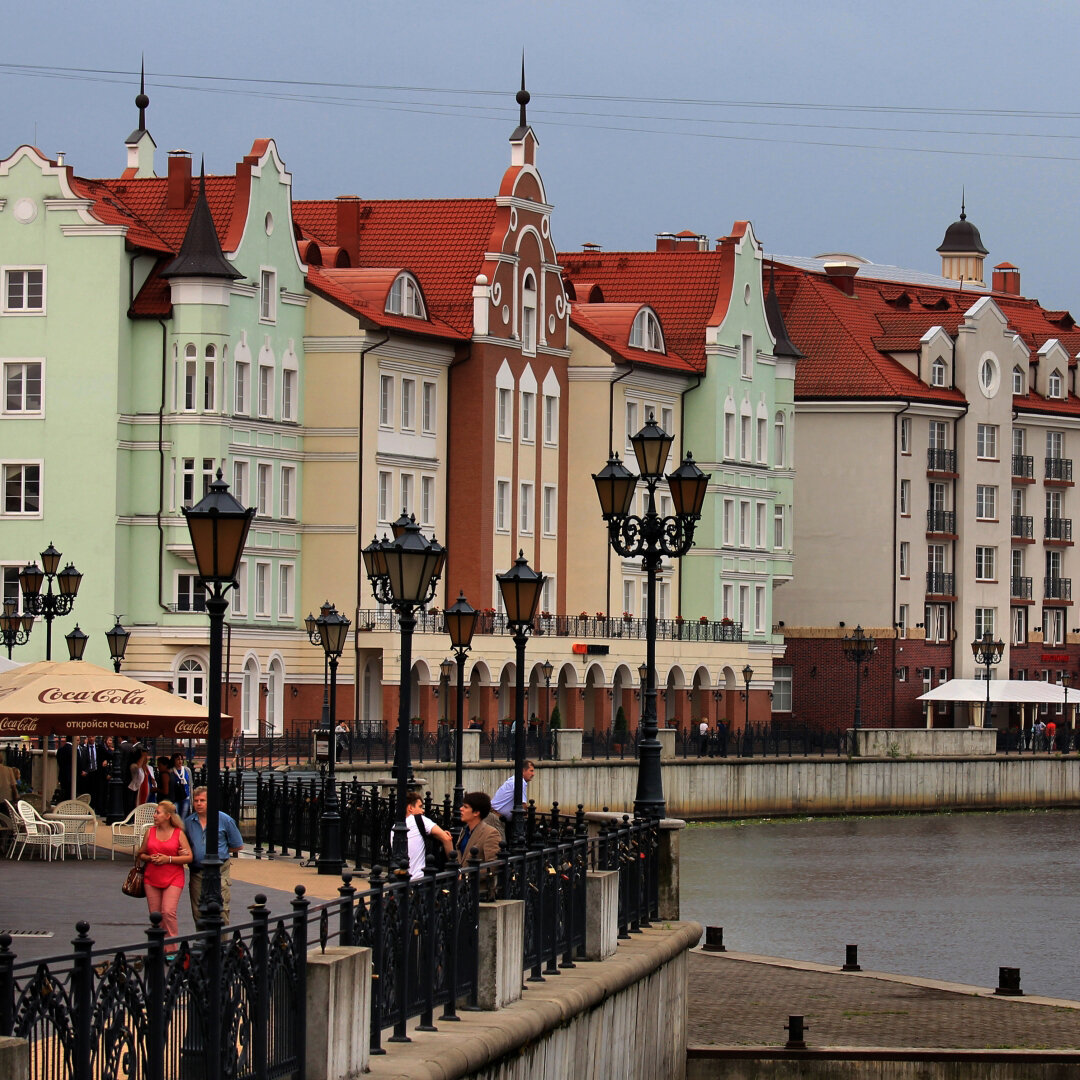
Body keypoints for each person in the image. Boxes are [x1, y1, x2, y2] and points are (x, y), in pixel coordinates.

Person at [136, 800, 192, 950]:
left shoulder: (178, 833)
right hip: (152, 877)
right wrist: (149, 858)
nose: (154, 815)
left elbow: (189, 857)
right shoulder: (150, 832)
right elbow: (141, 853)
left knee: (168, 912)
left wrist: (168, 859)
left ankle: (171, 948)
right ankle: (158, 947)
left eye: (158, 812)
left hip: (173, 876)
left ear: (168, 816)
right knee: (155, 916)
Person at [185, 786, 244, 925]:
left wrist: (221, 850)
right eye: (196, 801)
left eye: (203, 800)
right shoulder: (188, 822)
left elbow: (238, 844)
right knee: (198, 910)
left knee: (220, 908)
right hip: (197, 870)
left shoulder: (225, 820)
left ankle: (221, 944)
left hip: (220, 869)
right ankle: (202, 942)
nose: (199, 804)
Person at [392, 791, 453, 882]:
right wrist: (455, 866)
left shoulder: (395, 828)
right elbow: (446, 839)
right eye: (420, 807)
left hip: (400, 881)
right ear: (410, 808)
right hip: (420, 879)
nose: (423, 810)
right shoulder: (420, 820)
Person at [455, 791, 502, 899]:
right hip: (461, 891)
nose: (461, 809)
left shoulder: (490, 833)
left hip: (479, 893)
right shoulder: (464, 831)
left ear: (476, 812)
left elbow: (493, 865)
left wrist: (467, 875)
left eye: (465, 807)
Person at [490, 760, 535, 838]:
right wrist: (527, 814)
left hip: (495, 816)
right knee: (500, 845)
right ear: (523, 771)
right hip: (497, 818)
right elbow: (523, 805)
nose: (533, 774)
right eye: (531, 771)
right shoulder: (519, 782)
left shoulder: (514, 780)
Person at [170, 754, 193, 820]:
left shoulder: (187, 770)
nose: (180, 761)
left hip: (186, 797)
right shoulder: (171, 771)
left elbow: (190, 784)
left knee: (183, 817)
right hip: (175, 798)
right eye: (178, 759)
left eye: (181, 759)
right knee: (176, 816)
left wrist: (191, 798)